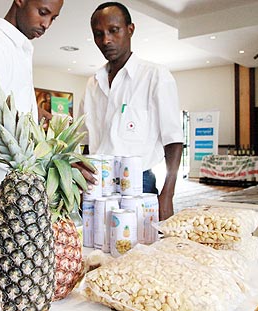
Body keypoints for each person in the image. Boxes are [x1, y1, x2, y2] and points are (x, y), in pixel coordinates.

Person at [76, 2, 183, 220]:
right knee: (97, 250)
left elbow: (173, 140)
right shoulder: (92, 84)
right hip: (97, 186)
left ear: (130, 29)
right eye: (99, 34)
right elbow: (85, 143)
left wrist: (167, 194)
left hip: (139, 184)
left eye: (113, 30)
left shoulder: (155, 76)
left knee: (141, 251)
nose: (106, 40)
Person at [0, 0, 63, 189]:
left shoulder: (17, 48)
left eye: (53, 18)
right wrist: (46, 149)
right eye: (43, 12)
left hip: (15, 180)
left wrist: (37, 114)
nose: (47, 24)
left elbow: (6, 107)